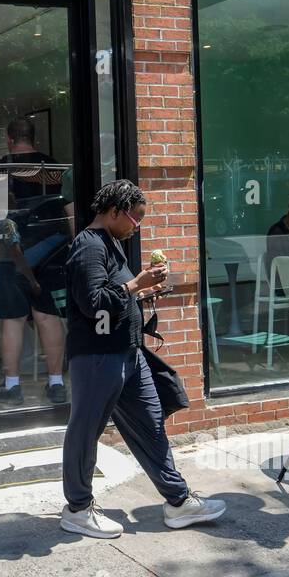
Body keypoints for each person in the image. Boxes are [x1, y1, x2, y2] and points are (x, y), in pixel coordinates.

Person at [59, 179, 226, 538]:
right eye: (136, 219)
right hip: (98, 357)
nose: (139, 226)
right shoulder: (89, 247)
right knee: (85, 432)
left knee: (151, 427)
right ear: (116, 211)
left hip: (128, 354)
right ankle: (76, 508)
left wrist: (145, 290)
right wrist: (136, 284)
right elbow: (93, 304)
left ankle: (178, 502)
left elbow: (113, 299)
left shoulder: (111, 244)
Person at [0, 118, 68, 405]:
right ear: (34, 138)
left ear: (9, 139)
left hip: (8, 254)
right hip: (51, 252)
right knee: (47, 317)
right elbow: (72, 211)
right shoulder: (53, 168)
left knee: (12, 321)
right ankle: (56, 383)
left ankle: (12, 386)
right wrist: (76, 248)